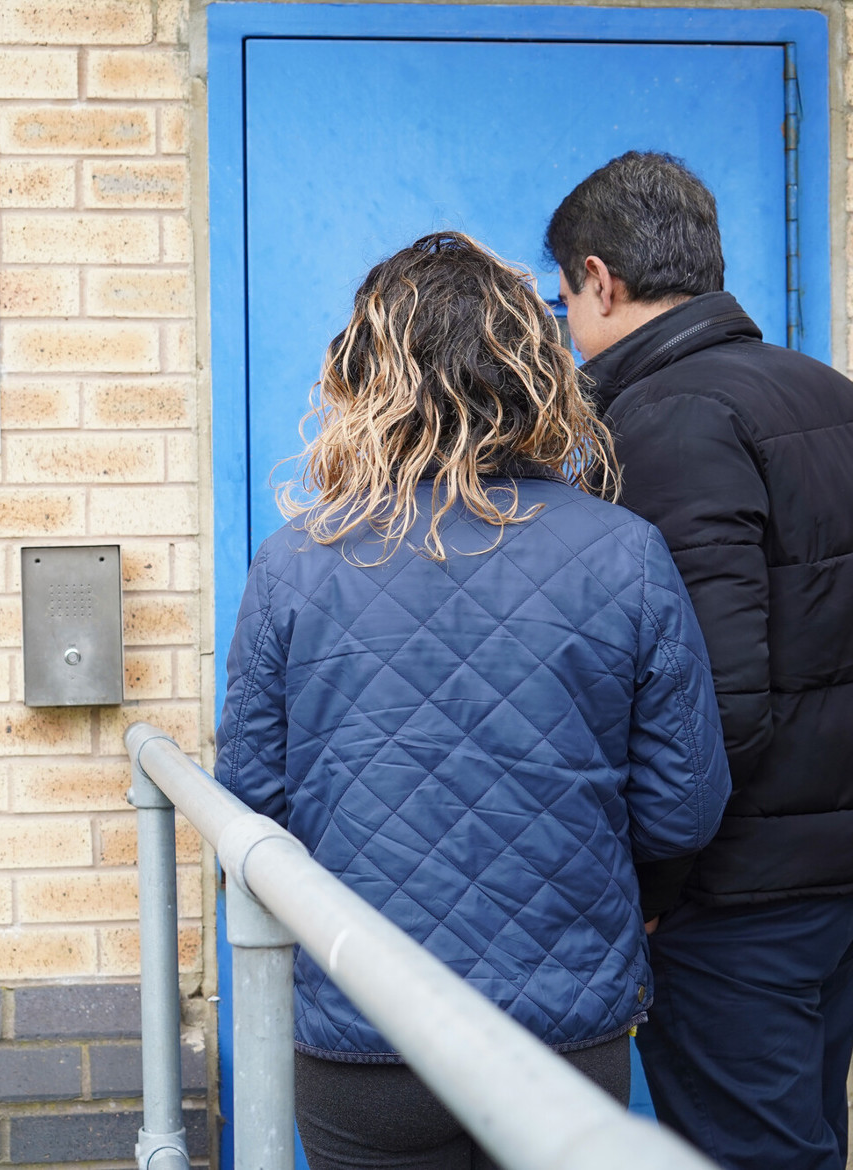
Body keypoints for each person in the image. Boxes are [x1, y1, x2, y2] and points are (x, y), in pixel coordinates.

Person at [214, 230, 731, 1170]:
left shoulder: (296, 561)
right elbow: (684, 805)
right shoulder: (626, 552)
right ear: (537, 376)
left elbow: (250, 802)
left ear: (369, 378)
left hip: (362, 1031)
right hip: (564, 1040)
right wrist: (639, 900)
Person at [546, 150, 853, 1170]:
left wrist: (648, 881)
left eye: (563, 304)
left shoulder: (667, 420)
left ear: (601, 279)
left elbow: (710, 707)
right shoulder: (824, 391)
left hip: (736, 900)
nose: (568, 335)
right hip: (828, 881)